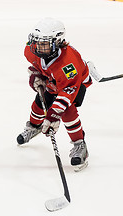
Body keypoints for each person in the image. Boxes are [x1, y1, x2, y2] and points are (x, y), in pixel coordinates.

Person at [17, 18, 92, 172]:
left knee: (68, 111)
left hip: (75, 83)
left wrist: (53, 115)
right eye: (37, 42)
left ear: (57, 42)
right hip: (55, 79)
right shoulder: (32, 50)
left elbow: (68, 90)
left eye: (44, 43)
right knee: (39, 103)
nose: (38, 47)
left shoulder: (68, 63)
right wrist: (37, 75)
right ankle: (34, 126)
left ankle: (80, 145)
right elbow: (38, 65)